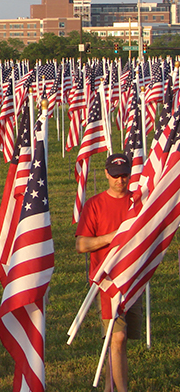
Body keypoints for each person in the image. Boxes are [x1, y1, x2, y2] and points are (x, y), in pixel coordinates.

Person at [76, 153, 142, 392]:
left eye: (124, 175)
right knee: (117, 338)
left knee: (119, 341)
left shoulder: (138, 202)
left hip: (133, 279)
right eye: (115, 176)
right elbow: (81, 244)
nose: (120, 180)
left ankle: (109, 387)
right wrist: (111, 238)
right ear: (106, 174)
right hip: (108, 282)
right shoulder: (94, 204)